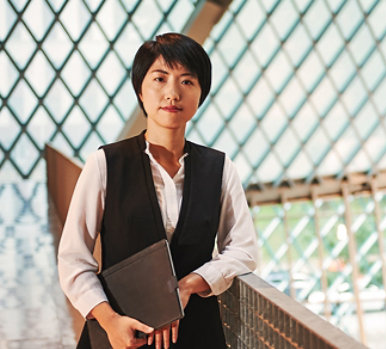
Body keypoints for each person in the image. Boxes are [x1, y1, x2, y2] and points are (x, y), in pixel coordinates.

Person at [57, 33, 258, 349]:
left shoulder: (219, 167)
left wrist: (190, 285)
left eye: (187, 81)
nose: (172, 93)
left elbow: (244, 249)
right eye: (160, 79)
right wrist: (110, 321)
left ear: (200, 93)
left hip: (197, 334)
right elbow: (73, 259)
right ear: (140, 89)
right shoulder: (104, 163)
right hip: (121, 334)